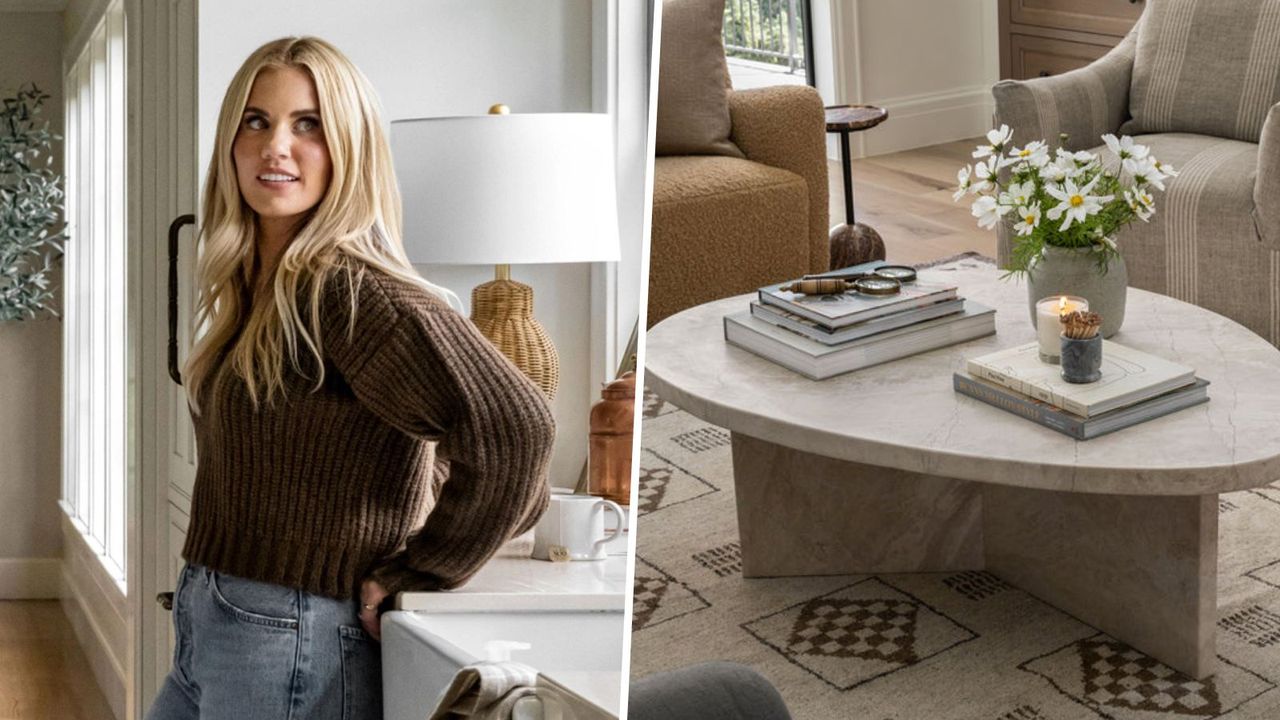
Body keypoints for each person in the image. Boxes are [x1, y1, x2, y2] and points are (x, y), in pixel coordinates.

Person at [145, 36, 555, 720]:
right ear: (231, 143)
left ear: (350, 147)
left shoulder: (349, 290)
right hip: (216, 622)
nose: (277, 146)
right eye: (257, 121)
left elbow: (515, 427)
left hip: (292, 635)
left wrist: (424, 569)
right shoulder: (265, 290)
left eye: (309, 124)